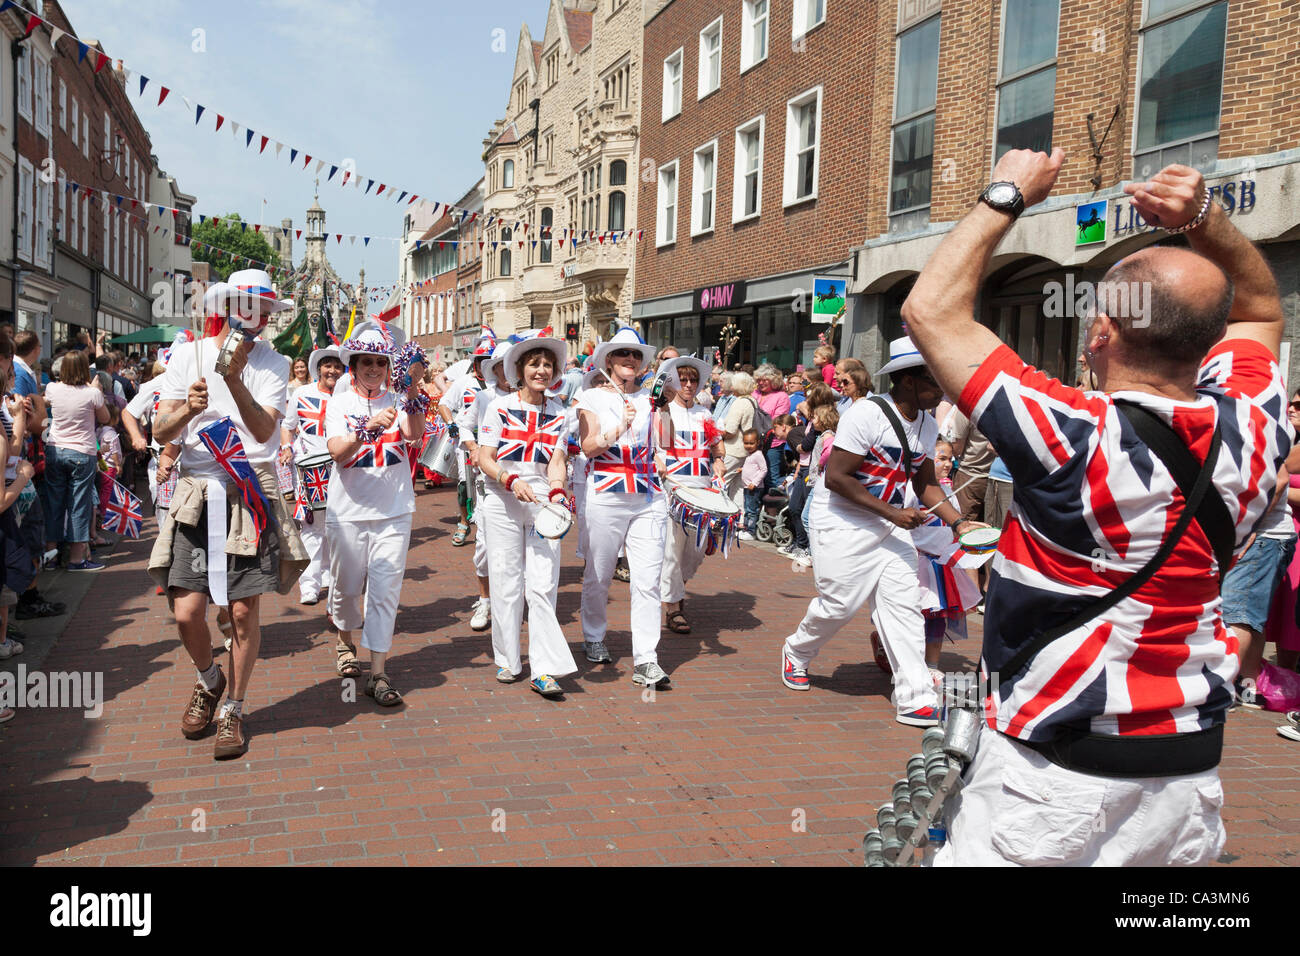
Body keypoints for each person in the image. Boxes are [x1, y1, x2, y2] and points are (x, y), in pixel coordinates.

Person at [903, 151, 1289, 865]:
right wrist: (1208, 220)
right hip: (1186, 774)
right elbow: (1262, 307)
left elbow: (930, 310)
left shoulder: (1070, 432)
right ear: (1207, 346)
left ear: (1102, 335)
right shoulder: (1257, 430)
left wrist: (1007, 193)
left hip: (1054, 779)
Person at [149, 270, 308, 760]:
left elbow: (263, 433)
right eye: (248, 306)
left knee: (241, 611)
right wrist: (187, 411)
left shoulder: (275, 363)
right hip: (197, 491)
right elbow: (161, 430)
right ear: (231, 305)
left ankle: (234, 709)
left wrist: (233, 381)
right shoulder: (188, 353)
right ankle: (209, 679)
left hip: (248, 489)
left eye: (263, 310)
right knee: (186, 611)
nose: (256, 318)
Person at [782, 338, 967, 729]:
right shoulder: (867, 414)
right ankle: (796, 651)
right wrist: (894, 513)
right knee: (839, 606)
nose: (944, 388)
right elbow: (835, 477)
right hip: (842, 522)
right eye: (936, 379)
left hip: (888, 524)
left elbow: (926, 481)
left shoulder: (928, 422)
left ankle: (914, 696)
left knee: (904, 606)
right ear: (911, 380)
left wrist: (958, 523)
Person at [324, 324, 424, 705]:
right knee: (348, 588)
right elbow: (337, 451)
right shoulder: (339, 400)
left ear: (388, 366)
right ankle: (344, 638)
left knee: (384, 593)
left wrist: (412, 387)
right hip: (347, 511)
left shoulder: (400, 398)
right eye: (365, 362)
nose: (372, 369)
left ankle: (378, 673)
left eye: (379, 363)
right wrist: (366, 430)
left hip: (394, 511)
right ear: (354, 365)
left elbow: (414, 433)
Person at [476, 336, 576, 697]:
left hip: (542, 506)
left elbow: (557, 462)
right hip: (502, 501)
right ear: (519, 370)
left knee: (543, 585)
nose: (541, 370)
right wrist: (509, 478)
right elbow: (485, 458)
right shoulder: (499, 407)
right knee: (505, 583)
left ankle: (544, 668)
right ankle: (507, 659)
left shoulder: (561, 413)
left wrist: (557, 490)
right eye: (534, 364)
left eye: (547, 365)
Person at [578, 327, 671, 686]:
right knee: (599, 574)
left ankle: (646, 658)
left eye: (635, 355)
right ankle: (594, 635)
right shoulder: (591, 398)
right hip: (607, 492)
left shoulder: (652, 399)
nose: (630, 360)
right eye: (622, 354)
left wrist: (662, 420)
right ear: (609, 361)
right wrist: (619, 427)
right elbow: (588, 447)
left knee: (647, 580)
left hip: (648, 496)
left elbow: (664, 442)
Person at [656, 354, 726, 634]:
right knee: (672, 549)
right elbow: (658, 445)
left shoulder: (705, 413)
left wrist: (719, 462)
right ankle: (673, 607)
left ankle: (674, 587)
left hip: (702, 488)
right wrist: (658, 462)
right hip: (673, 488)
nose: (688, 384)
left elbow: (716, 447)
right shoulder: (663, 411)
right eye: (682, 379)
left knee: (696, 551)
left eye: (693, 380)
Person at [458, 339, 516, 633]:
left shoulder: (530, 398)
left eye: (512, 365)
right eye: (502, 366)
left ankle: (512, 601)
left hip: (523, 483)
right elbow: (465, 424)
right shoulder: (484, 398)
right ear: (494, 369)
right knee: (483, 547)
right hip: (489, 481)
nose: (508, 371)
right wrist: (472, 447)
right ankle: (484, 599)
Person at [281, 346, 344, 607]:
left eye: (337, 366)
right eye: (327, 365)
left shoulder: (348, 396)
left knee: (336, 525)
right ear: (319, 368)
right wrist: (286, 447)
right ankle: (309, 585)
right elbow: (288, 426)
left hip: (340, 468)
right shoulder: (301, 393)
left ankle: (328, 575)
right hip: (309, 470)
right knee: (311, 526)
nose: (332, 370)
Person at [439, 336, 494, 627]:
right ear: (475, 363)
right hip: (469, 447)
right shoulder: (464, 383)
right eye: (483, 361)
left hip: (498, 458)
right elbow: (444, 404)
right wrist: (454, 426)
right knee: (465, 486)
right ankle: (463, 522)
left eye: (491, 361)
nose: (487, 366)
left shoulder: (505, 388)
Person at [43, 350, 109, 571]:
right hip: (82, 452)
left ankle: (50, 557)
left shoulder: (53, 389)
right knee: (79, 505)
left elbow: (44, 401)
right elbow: (105, 419)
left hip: (55, 449)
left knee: (54, 503)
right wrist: (97, 389)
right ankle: (76, 559)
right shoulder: (92, 393)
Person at [718, 371, 756, 515]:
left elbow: (731, 430)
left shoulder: (739, 402)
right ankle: (738, 520)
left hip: (734, 449)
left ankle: (716, 516)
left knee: (719, 483)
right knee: (738, 487)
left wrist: (716, 436)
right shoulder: (752, 401)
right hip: (746, 450)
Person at [738, 428, 766, 540]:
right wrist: (743, 469)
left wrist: (754, 483)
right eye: (746, 443)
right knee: (747, 509)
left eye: (751, 443)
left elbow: (764, 470)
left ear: (757, 442)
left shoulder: (758, 454)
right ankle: (746, 528)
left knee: (751, 510)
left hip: (754, 488)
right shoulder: (750, 455)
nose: (748, 446)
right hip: (747, 487)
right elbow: (752, 467)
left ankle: (751, 531)